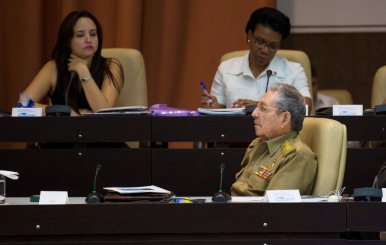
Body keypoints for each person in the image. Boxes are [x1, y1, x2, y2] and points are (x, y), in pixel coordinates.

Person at [200, 7, 312, 111]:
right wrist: (212, 105)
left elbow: (305, 107)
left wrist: (260, 105)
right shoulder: (226, 68)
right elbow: (219, 109)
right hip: (235, 130)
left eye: (273, 46)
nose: (265, 50)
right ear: (249, 35)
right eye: (260, 41)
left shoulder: (294, 71)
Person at [21, 10, 123, 115]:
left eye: (93, 34)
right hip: (61, 130)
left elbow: (103, 113)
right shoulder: (53, 68)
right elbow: (22, 107)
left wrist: (83, 71)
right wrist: (66, 112)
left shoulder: (111, 66)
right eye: (80, 35)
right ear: (68, 42)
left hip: (97, 130)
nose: (88, 39)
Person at [231, 83, 317, 196]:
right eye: (257, 107)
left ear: (284, 119)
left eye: (263, 108)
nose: (254, 113)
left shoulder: (297, 156)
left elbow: (274, 209)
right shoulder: (258, 144)